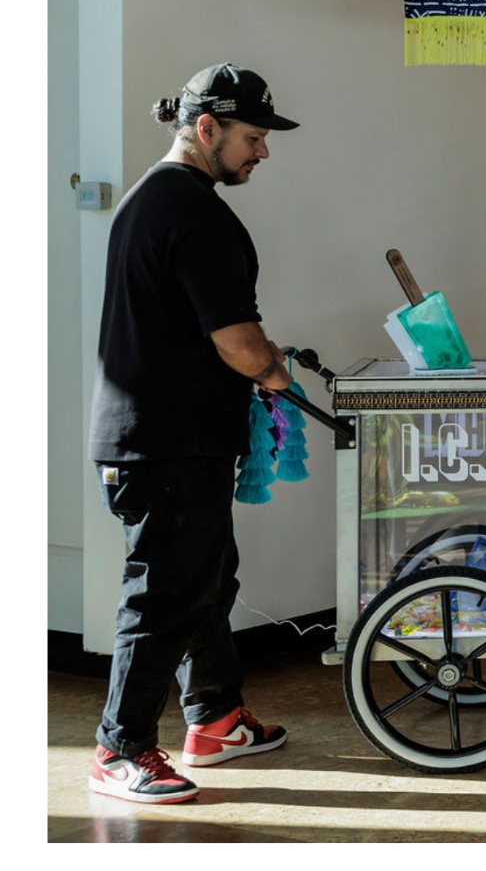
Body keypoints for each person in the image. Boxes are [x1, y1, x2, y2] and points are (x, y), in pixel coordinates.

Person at [86, 63, 300, 805]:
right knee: (166, 594)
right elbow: (236, 339)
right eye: (252, 137)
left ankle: (213, 717)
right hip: (166, 442)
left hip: (167, 439)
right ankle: (121, 750)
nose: (262, 151)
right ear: (205, 128)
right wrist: (274, 371)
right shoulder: (193, 213)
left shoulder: (158, 200)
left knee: (207, 581)